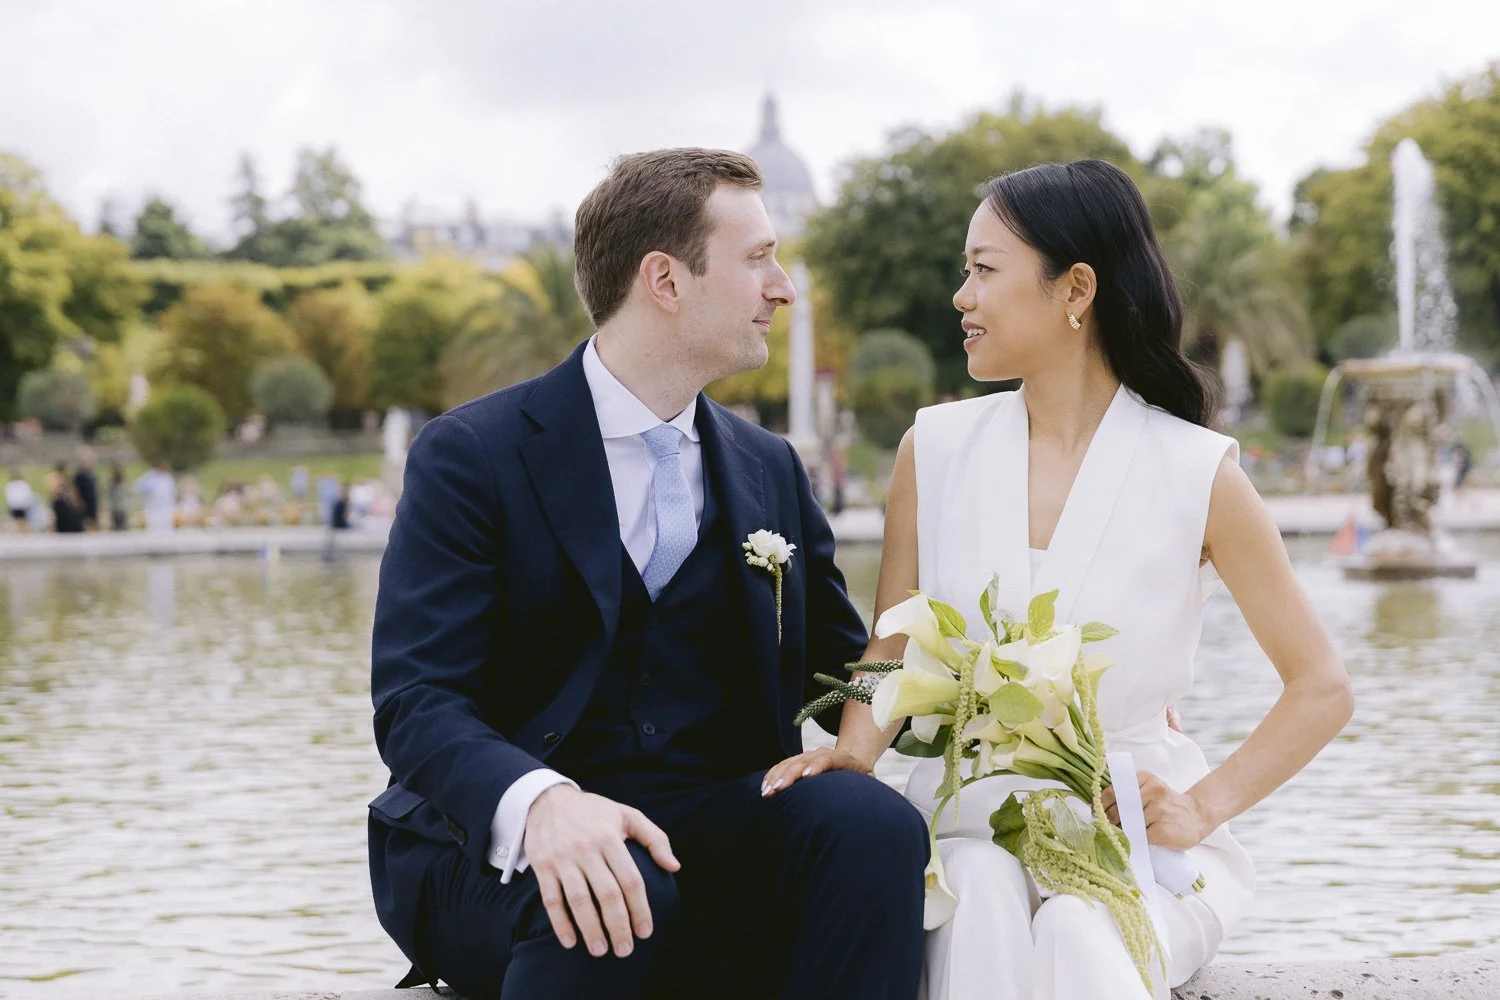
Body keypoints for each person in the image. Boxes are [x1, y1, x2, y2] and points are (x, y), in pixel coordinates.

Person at [761, 160, 1353, 999]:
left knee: (1080, 923)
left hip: (1135, 842)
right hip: (966, 819)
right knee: (980, 902)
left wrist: (1205, 805)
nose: (961, 295)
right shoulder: (932, 450)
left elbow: (1321, 686)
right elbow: (890, 647)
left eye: (984, 269)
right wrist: (849, 755)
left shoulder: (1200, 472)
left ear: (1076, 288)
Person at [368, 148, 927, 1000]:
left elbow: (849, 670)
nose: (783, 287)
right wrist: (542, 803)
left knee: (870, 823)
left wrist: (1016, 697)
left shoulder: (770, 468)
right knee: (610, 890)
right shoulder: (472, 455)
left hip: (708, 823)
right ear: (665, 280)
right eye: (758, 259)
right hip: (490, 848)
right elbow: (416, 701)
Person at [136, 461, 177, 533]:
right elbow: (139, 486)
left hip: (166, 506)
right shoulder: (150, 476)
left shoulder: (168, 477)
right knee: (153, 526)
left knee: (166, 526)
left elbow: (171, 492)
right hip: (153, 507)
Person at [73, 449, 99, 530]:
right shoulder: (79, 475)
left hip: (92, 504)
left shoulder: (92, 474)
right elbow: (75, 490)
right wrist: (79, 502)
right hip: (84, 504)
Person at [108, 462, 130, 531]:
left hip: (122, 509)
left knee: (123, 528)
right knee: (116, 528)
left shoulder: (123, 484)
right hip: (116, 509)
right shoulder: (112, 485)